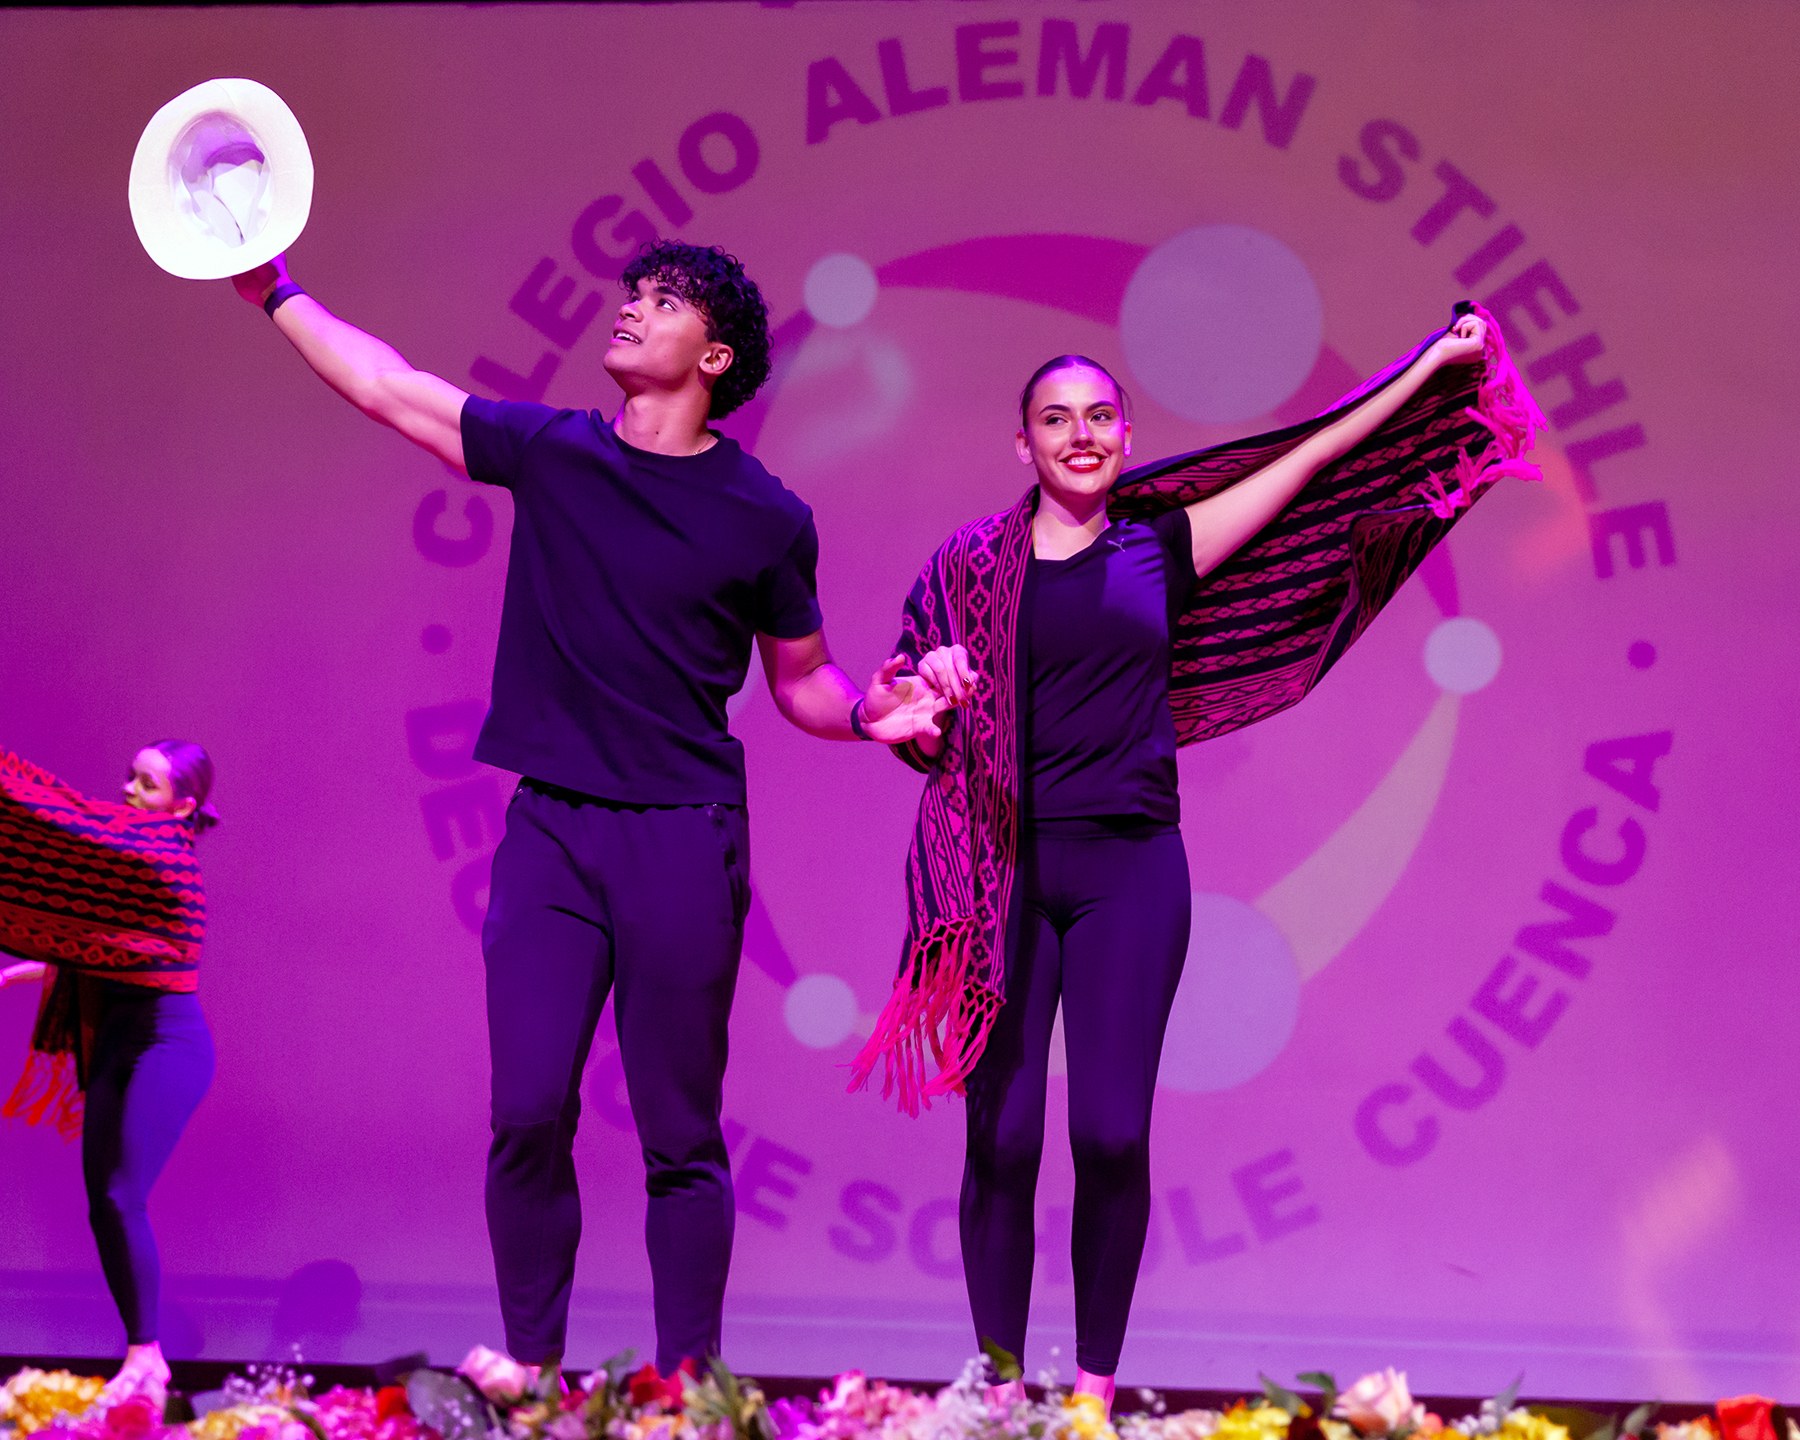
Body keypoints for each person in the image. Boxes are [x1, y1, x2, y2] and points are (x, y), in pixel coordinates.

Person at [228, 240, 946, 1377]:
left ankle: (690, 1391)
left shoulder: (766, 515)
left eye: (664, 303)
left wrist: (870, 714)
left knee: (680, 1135)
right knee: (526, 1113)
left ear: (714, 357)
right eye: (633, 295)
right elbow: (387, 385)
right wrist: (275, 288)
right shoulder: (555, 454)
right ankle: (532, 1375)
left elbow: (803, 678)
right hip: (553, 831)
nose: (631, 311)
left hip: (683, 838)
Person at [852, 307, 1546, 1410]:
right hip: (1000, 873)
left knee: (1111, 1133)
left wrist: (1432, 367)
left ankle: (1090, 1397)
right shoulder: (968, 565)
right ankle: (998, 1395)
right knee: (1005, 1137)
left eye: (1100, 417)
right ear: (1022, 445)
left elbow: (1312, 459)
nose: (1080, 435)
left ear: (1127, 437)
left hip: (1130, 871)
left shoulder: (1158, 547)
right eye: (1055, 419)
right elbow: (897, 709)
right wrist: (922, 687)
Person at [1, 740, 222, 1411]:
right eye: (129, 777)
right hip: (118, 1045)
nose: (129, 790)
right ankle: (142, 1352)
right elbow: (100, 944)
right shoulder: (127, 860)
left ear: (182, 805)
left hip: (167, 1046)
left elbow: (67, 830)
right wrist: (16, 974)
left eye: (147, 784)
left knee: (124, 1194)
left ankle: (145, 1357)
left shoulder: (164, 860)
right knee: (104, 1202)